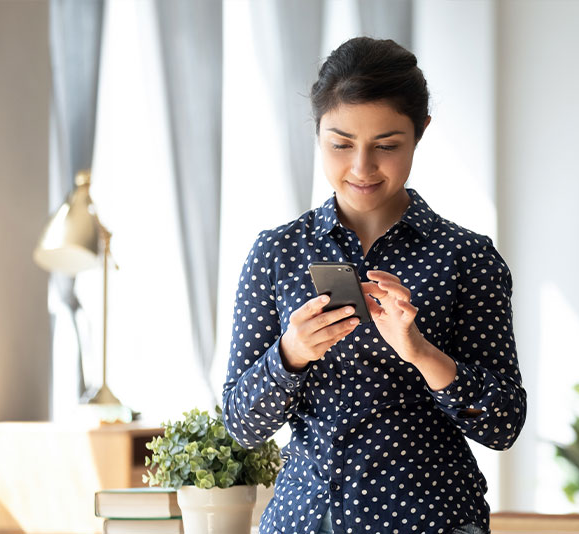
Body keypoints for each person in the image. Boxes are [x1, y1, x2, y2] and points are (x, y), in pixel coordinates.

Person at [222, 36, 526, 534]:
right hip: (307, 519)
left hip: (433, 520)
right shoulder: (278, 253)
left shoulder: (467, 257)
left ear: (420, 132)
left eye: (386, 146)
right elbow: (240, 424)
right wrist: (291, 353)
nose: (361, 168)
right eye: (340, 144)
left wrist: (422, 353)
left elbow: (503, 424)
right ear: (317, 132)